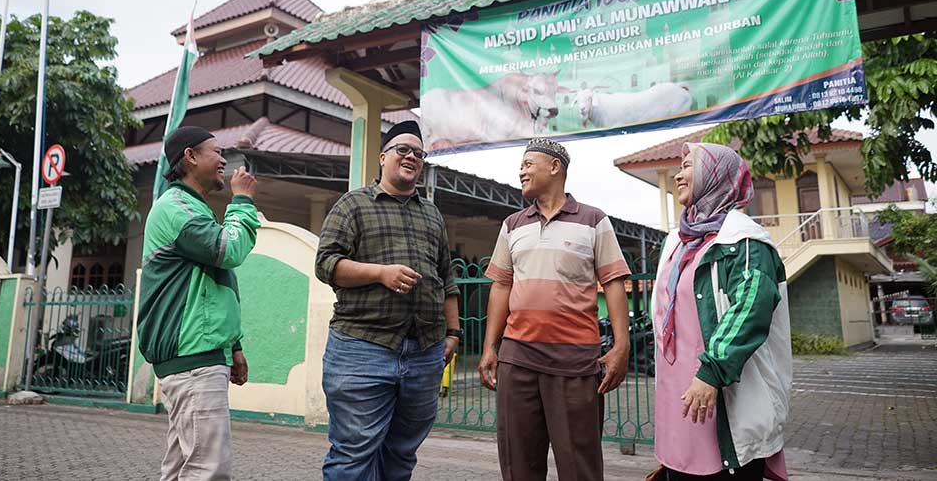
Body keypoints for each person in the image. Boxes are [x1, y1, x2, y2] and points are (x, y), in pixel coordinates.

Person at [315, 119, 462, 481]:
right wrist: (380, 273)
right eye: (403, 150)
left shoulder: (431, 213)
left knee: (401, 453)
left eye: (418, 153)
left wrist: (454, 333)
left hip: (425, 352)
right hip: (361, 347)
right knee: (352, 455)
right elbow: (326, 264)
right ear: (383, 157)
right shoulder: (352, 205)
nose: (411, 156)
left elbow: (447, 277)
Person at [478, 137, 631, 481]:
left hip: (574, 361)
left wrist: (621, 346)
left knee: (579, 465)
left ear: (555, 167)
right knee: (519, 465)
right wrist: (490, 347)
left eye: (528, 164)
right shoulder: (513, 225)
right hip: (517, 359)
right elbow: (502, 285)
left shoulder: (593, 220)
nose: (521, 171)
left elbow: (614, 282)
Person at [650, 142, 791, 481]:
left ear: (714, 176)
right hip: (681, 402)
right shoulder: (677, 242)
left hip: (720, 394)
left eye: (687, 166)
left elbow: (750, 310)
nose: (678, 175)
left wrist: (710, 373)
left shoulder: (744, 241)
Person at [136, 126, 261, 481]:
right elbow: (228, 251)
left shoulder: (193, 208)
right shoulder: (176, 208)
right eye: (215, 151)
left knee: (181, 468)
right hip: (192, 358)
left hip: (202, 353)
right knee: (209, 468)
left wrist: (233, 347)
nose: (223, 160)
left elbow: (216, 284)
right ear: (190, 156)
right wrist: (242, 202)